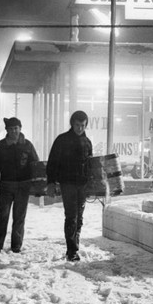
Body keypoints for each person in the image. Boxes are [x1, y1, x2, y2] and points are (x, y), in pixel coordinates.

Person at [46, 110, 93, 262]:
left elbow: (90, 164)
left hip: (82, 185)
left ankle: (74, 247)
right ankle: (71, 250)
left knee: (79, 217)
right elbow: (52, 162)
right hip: (68, 184)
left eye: (83, 125)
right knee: (72, 216)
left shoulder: (87, 142)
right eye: (77, 125)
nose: (80, 128)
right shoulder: (62, 140)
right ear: (72, 124)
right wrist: (51, 182)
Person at [0, 117, 39, 253]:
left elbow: (35, 165)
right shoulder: (1, 146)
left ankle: (16, 246)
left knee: (19, 217)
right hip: (6, 185)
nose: (14, 131)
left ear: (20, 128)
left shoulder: (27, 145)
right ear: (7, 130)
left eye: (16, 128)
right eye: (11, 129)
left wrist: (37, 185)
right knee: (3, 215)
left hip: (24, 186)